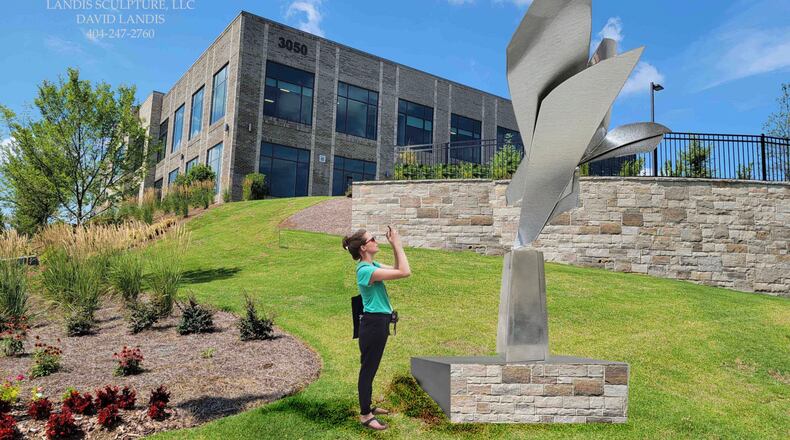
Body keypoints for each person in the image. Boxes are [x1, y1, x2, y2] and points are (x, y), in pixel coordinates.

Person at [342, 226, 411, 431]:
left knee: (371, 368)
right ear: (364, 248)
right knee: (368, 370)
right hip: (373, 325)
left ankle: (368, 406)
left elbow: (398, 266)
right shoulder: (365, 271)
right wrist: (398, 244)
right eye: (372, 239)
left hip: (378, 323)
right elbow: (405, 272)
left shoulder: (373, 264)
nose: (376, 240)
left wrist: (393, 246)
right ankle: (365, 415)